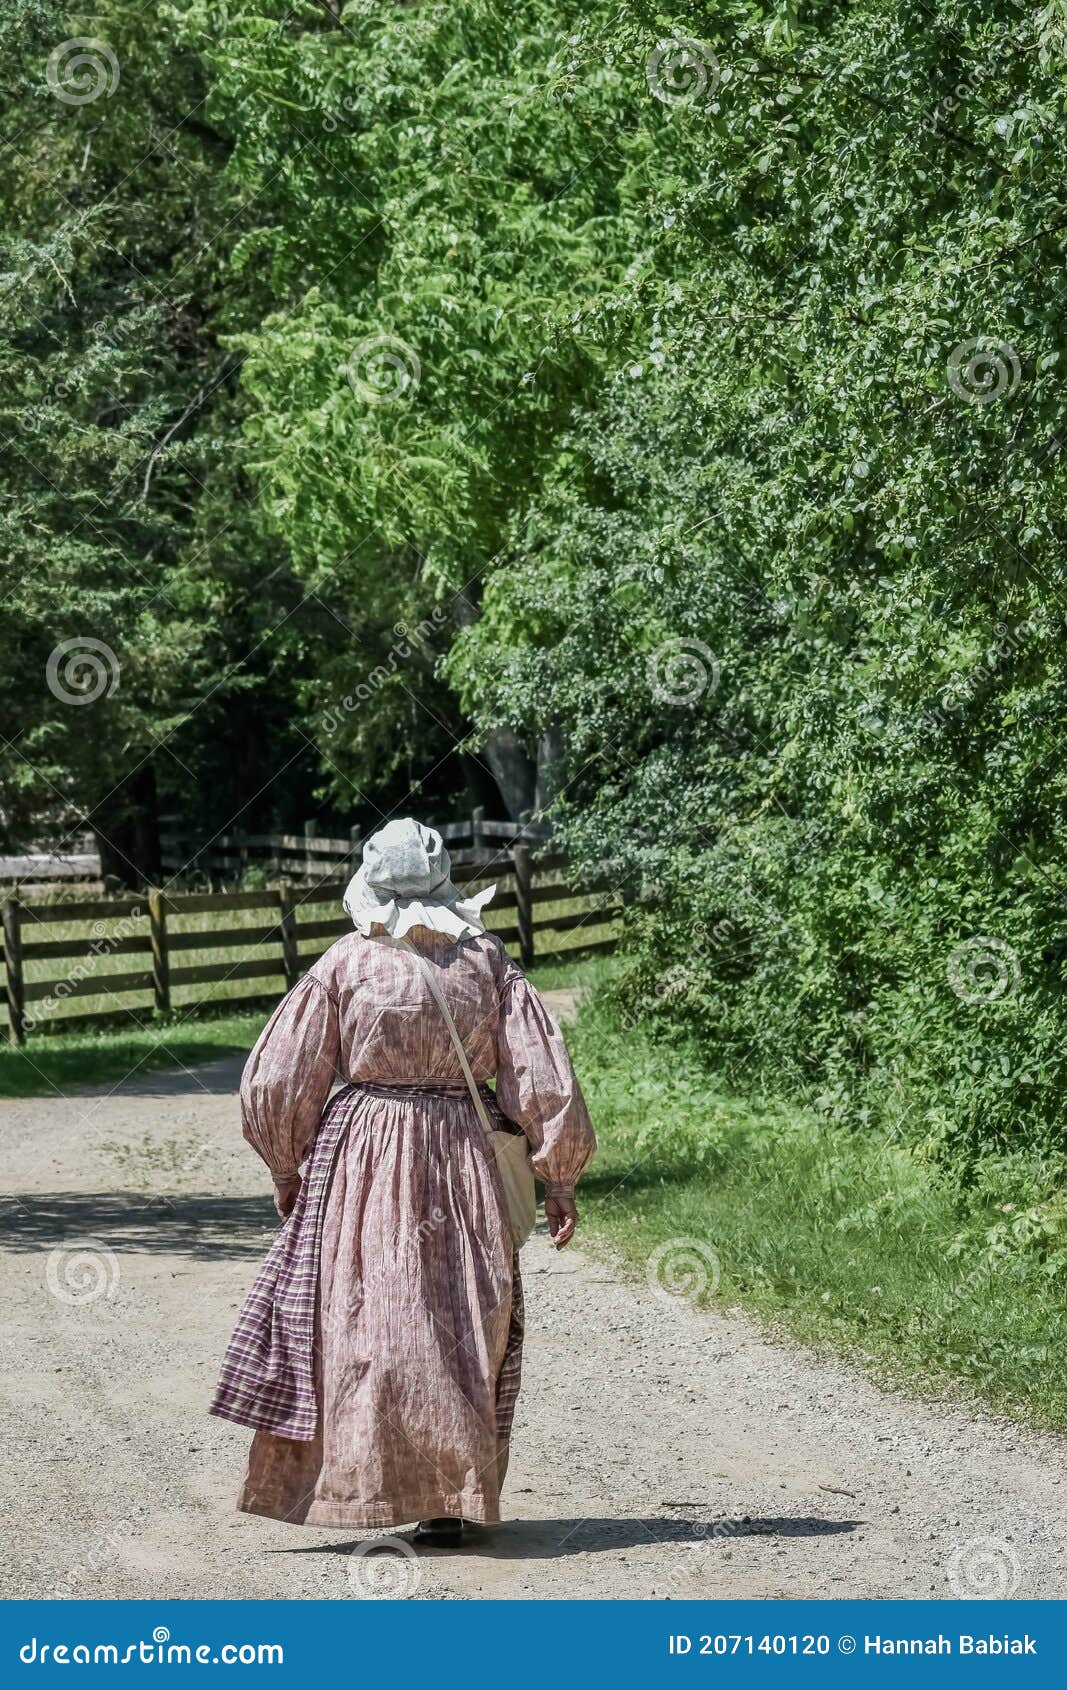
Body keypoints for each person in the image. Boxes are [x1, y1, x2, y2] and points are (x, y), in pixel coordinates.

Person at [211, 816, 595, 1546]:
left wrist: (284, 1163)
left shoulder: (345, 964)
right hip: (464, 1150)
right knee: (464, 1318)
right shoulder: (486, 963)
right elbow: (539, 1074)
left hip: (362, 1154)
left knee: (370, 1321)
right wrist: (559, 1176)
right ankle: (450, 1494)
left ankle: (370, 1492)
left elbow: (282, 1076)